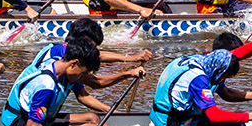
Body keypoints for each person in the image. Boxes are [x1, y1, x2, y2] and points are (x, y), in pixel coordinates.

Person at [0, 36, 110, 126]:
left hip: (40, 120)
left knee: (92, 117)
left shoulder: (57, 63)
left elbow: (93, 86)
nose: (82, 78)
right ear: (74, 63)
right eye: (83, 73)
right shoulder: (46, 87)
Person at [151, 32, 252, 126]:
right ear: (219, 71)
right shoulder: (198, 80)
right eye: (223, 77)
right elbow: (214, 116)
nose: (222, 81)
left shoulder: (206, 60)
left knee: (239, 125)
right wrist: (251, 116)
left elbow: (236, 55)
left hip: (171, 116)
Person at [12, 15, 151, 89]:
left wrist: (131, 58)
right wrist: (129, 73)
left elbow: (83, 96)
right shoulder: (62, 57)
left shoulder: (66, 50)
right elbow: (96, 83)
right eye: (92, 46)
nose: (93, 51)